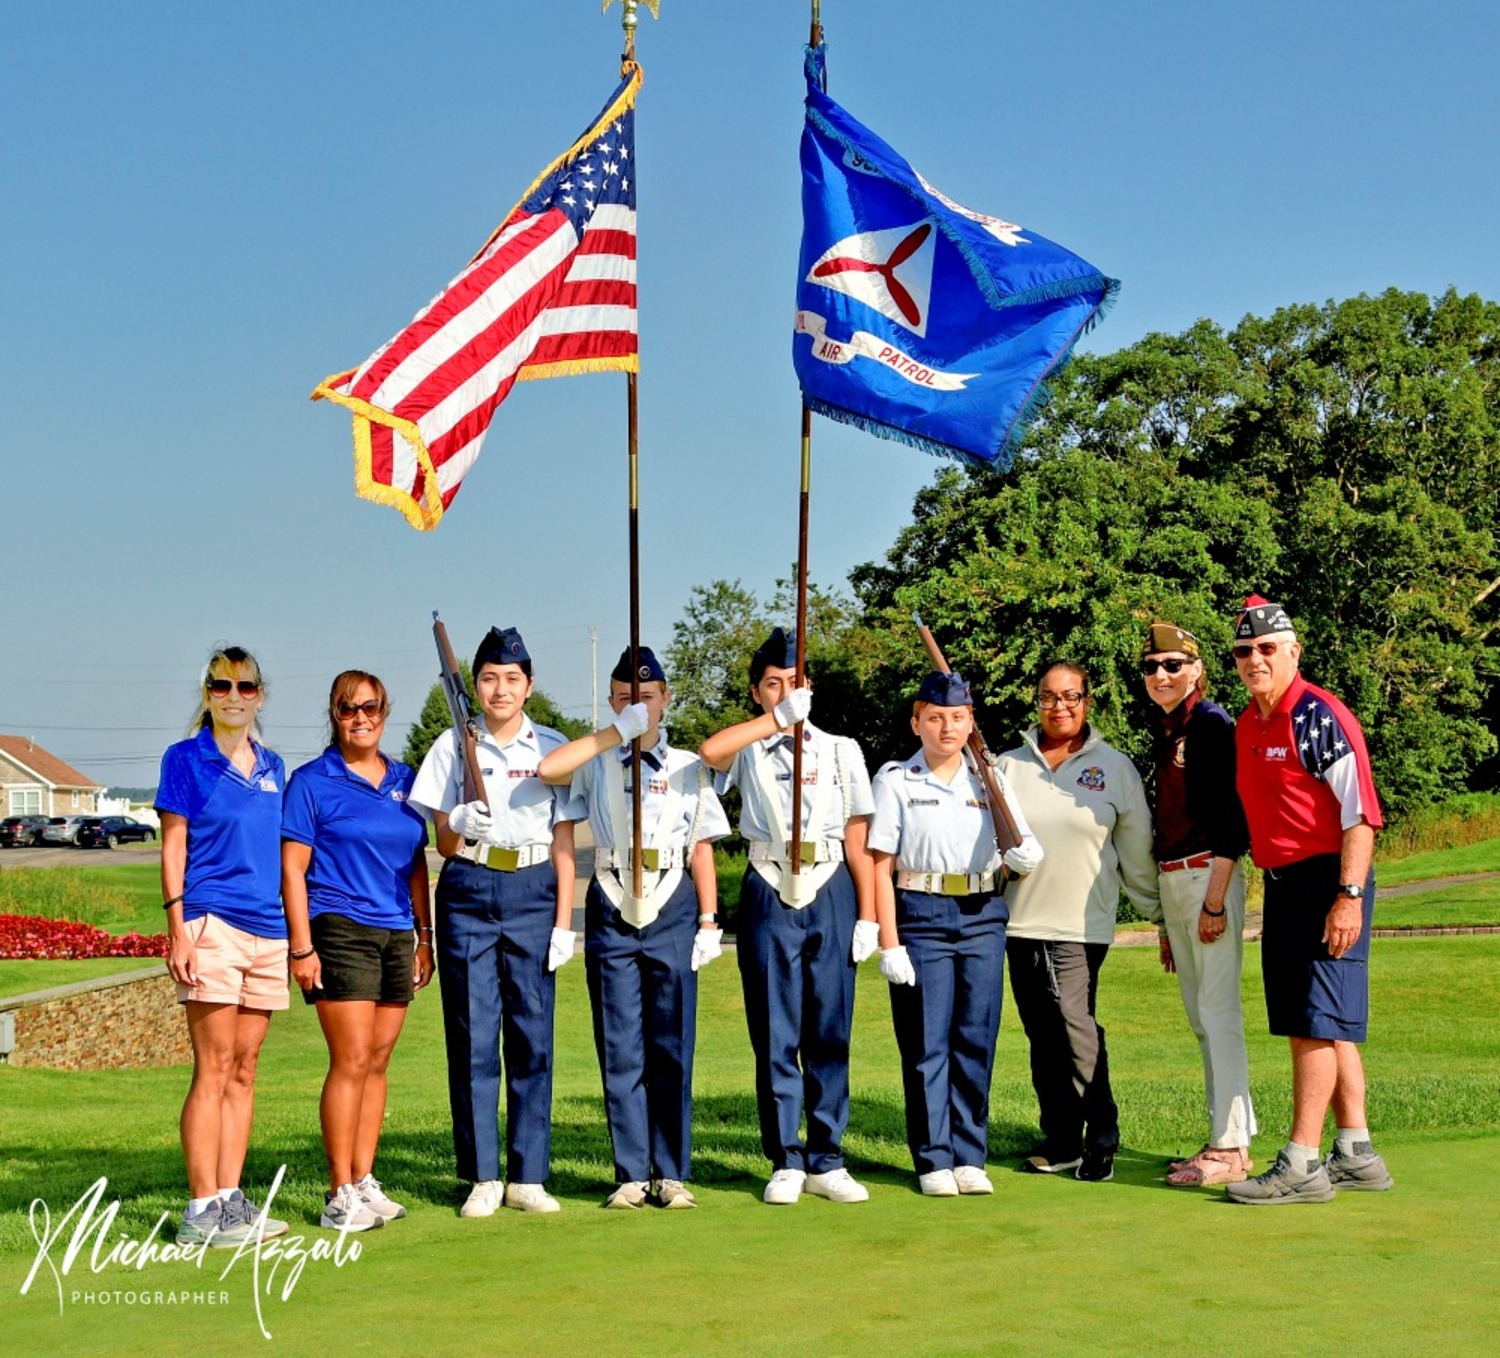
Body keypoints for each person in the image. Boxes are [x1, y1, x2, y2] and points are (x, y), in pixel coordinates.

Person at [537, 647, 730, 1210]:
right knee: (620, 1042)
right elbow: (550, 772)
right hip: (612, 897)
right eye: (625, 699)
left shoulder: (689, 765)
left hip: (672, 901)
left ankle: (669, 1171)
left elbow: (700, 848)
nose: (637, 708)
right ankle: (628, 1171)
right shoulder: (595, 760)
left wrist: (710, 919)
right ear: (611, 703)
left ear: (666, 699)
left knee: (671, 1043)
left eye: (646, 698)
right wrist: (613, 731)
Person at [699, 627, 877, 1206]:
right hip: (769, 883)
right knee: (775, 1029)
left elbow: (859, 840)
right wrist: (777, 721)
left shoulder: (841, 749)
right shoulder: (750, 744)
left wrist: (869, 916)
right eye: (772, 685)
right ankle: (786, 1159)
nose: (784, 692)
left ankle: (828, 1157)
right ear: (758, 693)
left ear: (810, 687)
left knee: (829, 1027)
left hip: (830, 884)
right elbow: (709, 752)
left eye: (794, 684)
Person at [1225, 596, 1392, 1204]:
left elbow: (1361, 816)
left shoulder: (1318, 715)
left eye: (1267, 648)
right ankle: (1355, 1151)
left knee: (1314, 1025)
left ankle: (1300, 1164)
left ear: (1294, 650)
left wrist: (1348, 896)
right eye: (1244, 651)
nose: (1255, 660)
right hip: (1283, 886)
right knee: (1324, 1022)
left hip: (1329, 881)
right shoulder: (1248, 722)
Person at [409, 626, 579, 1216]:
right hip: (469, 888)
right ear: (474, 686)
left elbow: (564, 844)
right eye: (488, 678)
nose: (500, 689)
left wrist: (564, 923)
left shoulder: (553, 748)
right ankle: (482, 1173)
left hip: (534, 888)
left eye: (511, 678)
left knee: (533, 1036)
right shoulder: (451, 746)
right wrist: (457, 818)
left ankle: (528, 1175)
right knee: (474, 1034)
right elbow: (444, 841)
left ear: (529, 686)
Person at [868, 671, 1043, 1196]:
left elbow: (1021, 840)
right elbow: (880, 865)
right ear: (917, 721)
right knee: (927, 1042)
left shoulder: (989, 776)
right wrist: (889, 941)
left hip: (983, 911)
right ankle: (933, 1159)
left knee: (976, 1036)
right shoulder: (898, 779)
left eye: (958, 717)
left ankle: (970, 1154)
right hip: (921, 913)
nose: (947, 728)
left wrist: (1024, 858)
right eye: (936, 717)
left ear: (971, 722)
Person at [996, 661, 1160, 1184]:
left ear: (1088, 700)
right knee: (1044, 1034)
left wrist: (1160, 918)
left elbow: (1136, 856)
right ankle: (1062, 1138)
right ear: (1036, 701)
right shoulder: (1006, 766)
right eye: (1048, 697)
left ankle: (1102, 1137)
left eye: (1071, 696)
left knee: (1074, 1024)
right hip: (1018, 922)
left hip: (1080, 925)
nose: (1059, 707)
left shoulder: (1115, 768)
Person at [282, 671, 433, 1232]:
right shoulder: (311, 782)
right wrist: (302, 948)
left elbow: (416, 864)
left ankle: (364, 1180)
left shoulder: (405, 781)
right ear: (334, 714)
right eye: (349, 709)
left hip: (397, 932)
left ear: (385, 710)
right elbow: (292, 872)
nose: (360, 717)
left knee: (377, 1062)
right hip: (338, 927)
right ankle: (338, 1191)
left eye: (370, 707)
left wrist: (425, 936)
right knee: (349, 1061)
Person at [157, 645, 290, 1247]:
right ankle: (199, 1210)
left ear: (259, 694)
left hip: (270, 929)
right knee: (212, 1068)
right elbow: (174, 848)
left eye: (244, 686)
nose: (233, 696)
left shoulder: (275, 766)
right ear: (206, 693)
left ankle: (232, 1202)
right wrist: (177, 928)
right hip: (212, 924)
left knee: (245, 1068)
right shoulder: (185, 759)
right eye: (220, 686)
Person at [1138, 622, 1258, 1187]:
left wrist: (1213, 902)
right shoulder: (1166, 728)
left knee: (1218, 1012)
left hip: (1209, 875)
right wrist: (1167, 921)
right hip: (1174, 880)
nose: (1160, 675)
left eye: (1172, 665)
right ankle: (1223, 1138)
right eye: (1151, 667)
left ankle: (1231, 1146)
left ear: (1196, 670)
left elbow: (1235, 822)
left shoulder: (1211, 724)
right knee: (1201, 1018)